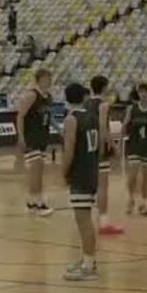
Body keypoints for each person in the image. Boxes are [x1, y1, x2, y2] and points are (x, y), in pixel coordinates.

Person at [60, 82, 100, 281]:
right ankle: (87, 258)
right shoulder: (92, 115)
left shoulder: (71, 119)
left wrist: (63, 171)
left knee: (83, 221)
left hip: (81, 172)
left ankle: (89, 265)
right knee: (85, 219)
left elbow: (69, 149)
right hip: (91, 170)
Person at [89, 75, 124, 236]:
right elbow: (103, 129)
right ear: (104, 87)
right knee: (103, 186)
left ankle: (86, 220)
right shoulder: (103, 105)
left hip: (86, 148)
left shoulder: (85, 103)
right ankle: (104, 223)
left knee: (89, 186)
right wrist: (114, 146)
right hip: (99, 148)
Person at [16, 68, 53, 216]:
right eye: (46, 78)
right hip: (32, 136)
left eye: (50, 78)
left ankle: (32, 202)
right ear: (39, 79)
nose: (49, 81)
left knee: (40, 170)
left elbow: (48, 117)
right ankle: (38, 203)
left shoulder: (49, 97)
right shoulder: (32, 95)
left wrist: (59, 128)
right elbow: (20, 116)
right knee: (35, 170)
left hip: (43, 135)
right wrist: (21, 136)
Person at [125, 82, 147, 216]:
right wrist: (119, 142)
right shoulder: (132, 108)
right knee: (132, 174)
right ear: (138, 93)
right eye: (141, 91)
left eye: (146, 91)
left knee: (146, 176)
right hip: (134, 144)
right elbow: (125, 124)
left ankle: (143, 203)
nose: (144, 94)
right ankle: (131, 198)